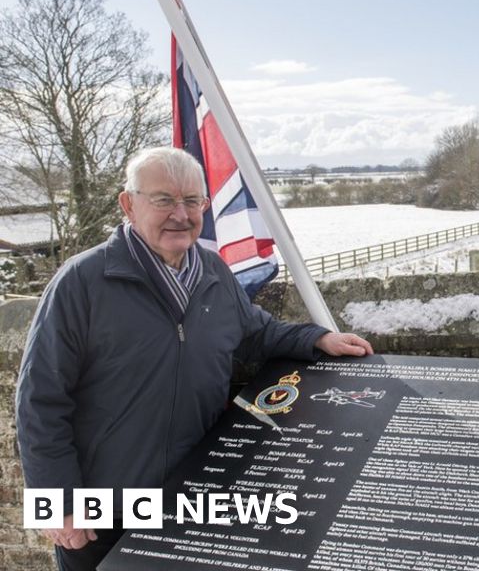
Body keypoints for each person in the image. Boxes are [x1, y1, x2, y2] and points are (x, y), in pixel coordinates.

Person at [15, 146, 374, 571]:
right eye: (164, 199)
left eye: (192, 201)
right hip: (103, 507)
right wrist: (56, 503)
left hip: (192, 498)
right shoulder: (82, 281)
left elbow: (255, 333)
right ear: (128, 204)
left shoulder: (211, 271)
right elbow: (39, 399)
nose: (181, 215)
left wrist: (318, 339)